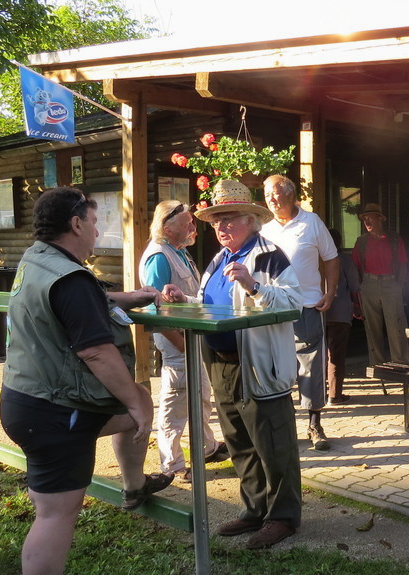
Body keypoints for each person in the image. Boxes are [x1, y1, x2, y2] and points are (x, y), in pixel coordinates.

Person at [0, 186, 171, 575]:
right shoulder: (71, 278)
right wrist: (135, 403)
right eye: (93, 222)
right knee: (56, 512)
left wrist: (132, 297)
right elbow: (96, 352)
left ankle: (134, 484)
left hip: (26, 401)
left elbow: (81, 300)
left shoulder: (38, 259)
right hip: (56, 411)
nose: (96, 230)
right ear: (76, 224)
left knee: (135, 406)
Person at [163, 179, 303, 550]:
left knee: (273, 444)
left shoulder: (270, 256)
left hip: (258, 366)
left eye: (229, 219)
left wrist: (255, 286)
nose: (221, 227)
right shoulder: (220, 258)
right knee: (239, 442)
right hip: (220, 364)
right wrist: (184, 300)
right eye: (216, 221)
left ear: (250, 221)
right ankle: (255, 509)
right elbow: (214, 304)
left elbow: (295, 303)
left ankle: (283, 517)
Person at [139, 200, 227, 483]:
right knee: (175, 401)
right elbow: (154, 309)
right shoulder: (159, 257)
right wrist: (178, 342)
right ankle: (172, 463)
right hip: (177, 340)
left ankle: (207, 447)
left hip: (189, 338)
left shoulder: (177, 251)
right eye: (187, 223)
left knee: (200, 394)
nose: (193, 227)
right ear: (167, 228)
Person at [261, 174, 339, 451]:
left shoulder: (312, 222)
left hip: (307, 306)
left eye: (275, 193)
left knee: (311, 368)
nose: (271, 199)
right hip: (274, 309)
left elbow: (331, 258)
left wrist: (330, 292)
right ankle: (283, 428)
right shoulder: (264, 229)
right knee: (277, 368)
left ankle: (314, 425)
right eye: (267, 195)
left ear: (291, 195)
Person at [352, 203, 409, 366]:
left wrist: (399, 285)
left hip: (390, 283)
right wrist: (359, 290)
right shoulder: (361, 242)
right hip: (368, 284)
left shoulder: (394, 239)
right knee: (372, 327)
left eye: (370, 217)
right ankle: (377, 365)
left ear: (379, 218)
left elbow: (403, 264)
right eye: (364, 218)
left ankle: (400, 363)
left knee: (396, 325)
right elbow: (355, 266)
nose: (367, 221)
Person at [324, 228, 361, 405]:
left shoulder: (314, 258)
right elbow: (354, 286)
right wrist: (358, 308)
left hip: (316, 311)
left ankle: (315, 395)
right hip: (339, 312)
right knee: (336, 355)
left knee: (317, 355)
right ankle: (335, 395)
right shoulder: (344, 260)